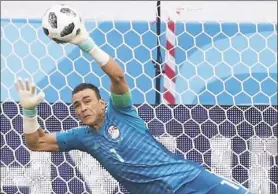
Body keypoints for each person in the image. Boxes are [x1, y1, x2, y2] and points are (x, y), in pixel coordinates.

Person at [14, 19, 253, 194]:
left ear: (102, 103)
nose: (82, 108)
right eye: (77, 105)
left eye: (87, 101)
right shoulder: (82, 137)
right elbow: (37, 143)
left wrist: (85, 44)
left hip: (191, 180)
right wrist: (29, 111)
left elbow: (118, 78)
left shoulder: (122, 113)